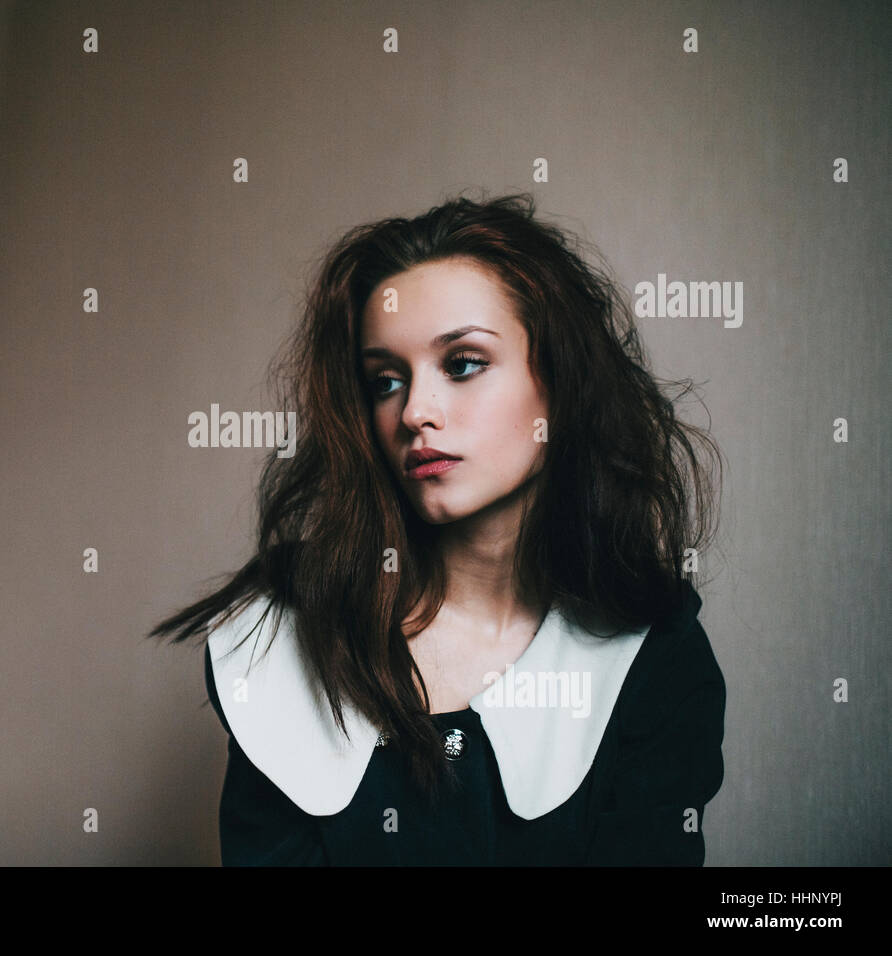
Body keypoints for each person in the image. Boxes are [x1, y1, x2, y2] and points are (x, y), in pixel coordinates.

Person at [149, 193, 727, 865]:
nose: (415, 411)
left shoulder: (653, 655)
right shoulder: (278, 638)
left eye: (462, 365)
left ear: (562, 385)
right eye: (386, 380)